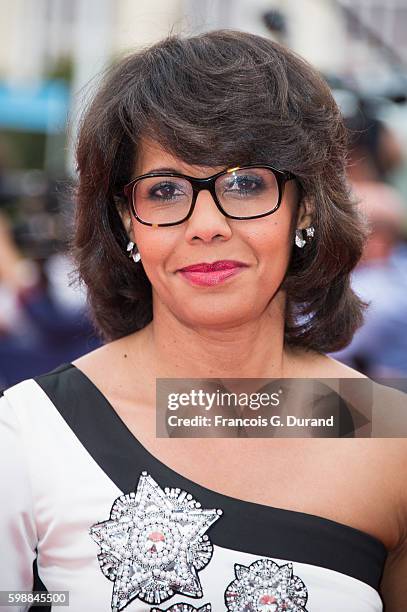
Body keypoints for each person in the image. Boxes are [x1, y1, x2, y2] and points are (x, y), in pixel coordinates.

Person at [0, 30, 406, 612]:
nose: (207, 224)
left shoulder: (390, 438)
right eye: (165, 190)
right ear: (126, 221)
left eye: (245, 184)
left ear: (306, 206)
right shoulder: (30, 432)